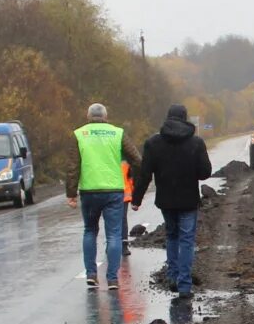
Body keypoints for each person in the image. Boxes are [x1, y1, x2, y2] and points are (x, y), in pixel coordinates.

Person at [132, 104, 213, 299]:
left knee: (172, 236)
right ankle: (184, 285)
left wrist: (136, 199)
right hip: (188, 200)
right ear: (185, 119)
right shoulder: (196, 143)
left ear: (167, 118)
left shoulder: (153, 143)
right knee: (186, 240)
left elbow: (144, 174)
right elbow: (205, 173)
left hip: (166, 200)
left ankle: (172, 276)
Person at [65, 103, 141, 290]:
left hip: (89, 191)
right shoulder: (118, 133)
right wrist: (137, 186)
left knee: (90, 231)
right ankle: (112, 278)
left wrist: (71, 194)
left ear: (88, 116)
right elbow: (137, 160)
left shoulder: (79, 134)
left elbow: (73, 166)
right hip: (113, 190)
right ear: (106, 116)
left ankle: (91, 274)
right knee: (114, 234)